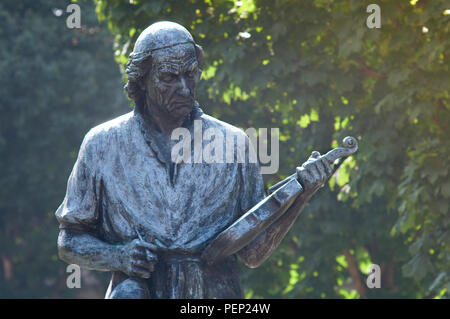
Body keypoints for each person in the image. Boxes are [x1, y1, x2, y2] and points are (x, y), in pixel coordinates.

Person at [56, 21, 334, 298]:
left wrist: (302, 194)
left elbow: (253, 252)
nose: (185, 88)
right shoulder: (102, 144)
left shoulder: (234, 143)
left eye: (191, 74)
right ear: (141, 79)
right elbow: (69, 241)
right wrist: (117, 256)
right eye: (168, 77)